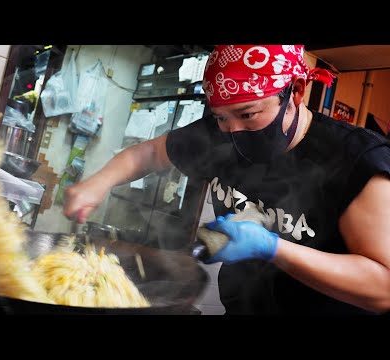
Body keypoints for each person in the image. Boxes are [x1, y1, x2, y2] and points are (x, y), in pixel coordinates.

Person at [64, 45, 390, 315]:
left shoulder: (356, 160)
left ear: (296, 92)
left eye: (248, 114)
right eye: (221, 117)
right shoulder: (219, 133)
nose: (232, 132)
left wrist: (273, 248)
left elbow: (383, 288)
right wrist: (98, 183)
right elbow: (148, 153)